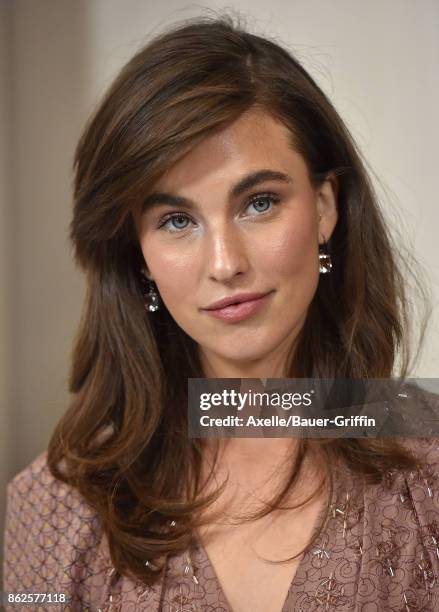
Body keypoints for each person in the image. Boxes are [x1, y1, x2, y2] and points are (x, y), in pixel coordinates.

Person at [3, 15, 439, 612]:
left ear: (325, 207)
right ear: (140, 254)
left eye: (259, 203)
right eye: (176, 220)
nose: (225, 263)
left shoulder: (430, 465)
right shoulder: (54, 508)